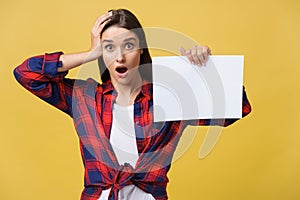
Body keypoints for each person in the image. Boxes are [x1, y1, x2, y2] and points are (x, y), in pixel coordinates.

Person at [14, 9, 251, 200]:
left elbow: (236, 110)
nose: (120, 56)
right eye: (109, 47)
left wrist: (203, 70)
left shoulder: (168, 98)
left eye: (128, 45)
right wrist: (90, 53)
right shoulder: (85, 98)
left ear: (141, 50)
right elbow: (27, 74)